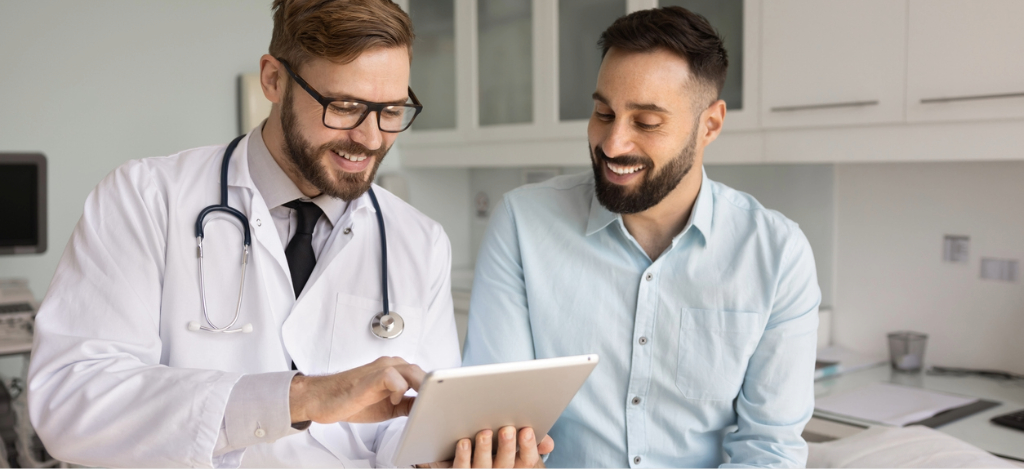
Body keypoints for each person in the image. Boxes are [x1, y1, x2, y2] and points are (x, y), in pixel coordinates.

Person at [27, 0, 547, 467]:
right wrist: (299, 398)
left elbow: (408, 424)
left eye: (391, 111)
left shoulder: (419, 241)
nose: (370, 139)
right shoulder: (145, 199)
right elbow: (69, 400)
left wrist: (439, 458)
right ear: (274, 80)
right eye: (344, 107)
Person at [463, 6, 820, 468]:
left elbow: (769, 449)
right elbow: (499, 427)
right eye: (603, 113)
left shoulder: (777, 254)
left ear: (710, 124)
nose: (613, 144)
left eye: (647, 122)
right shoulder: (522, 224)